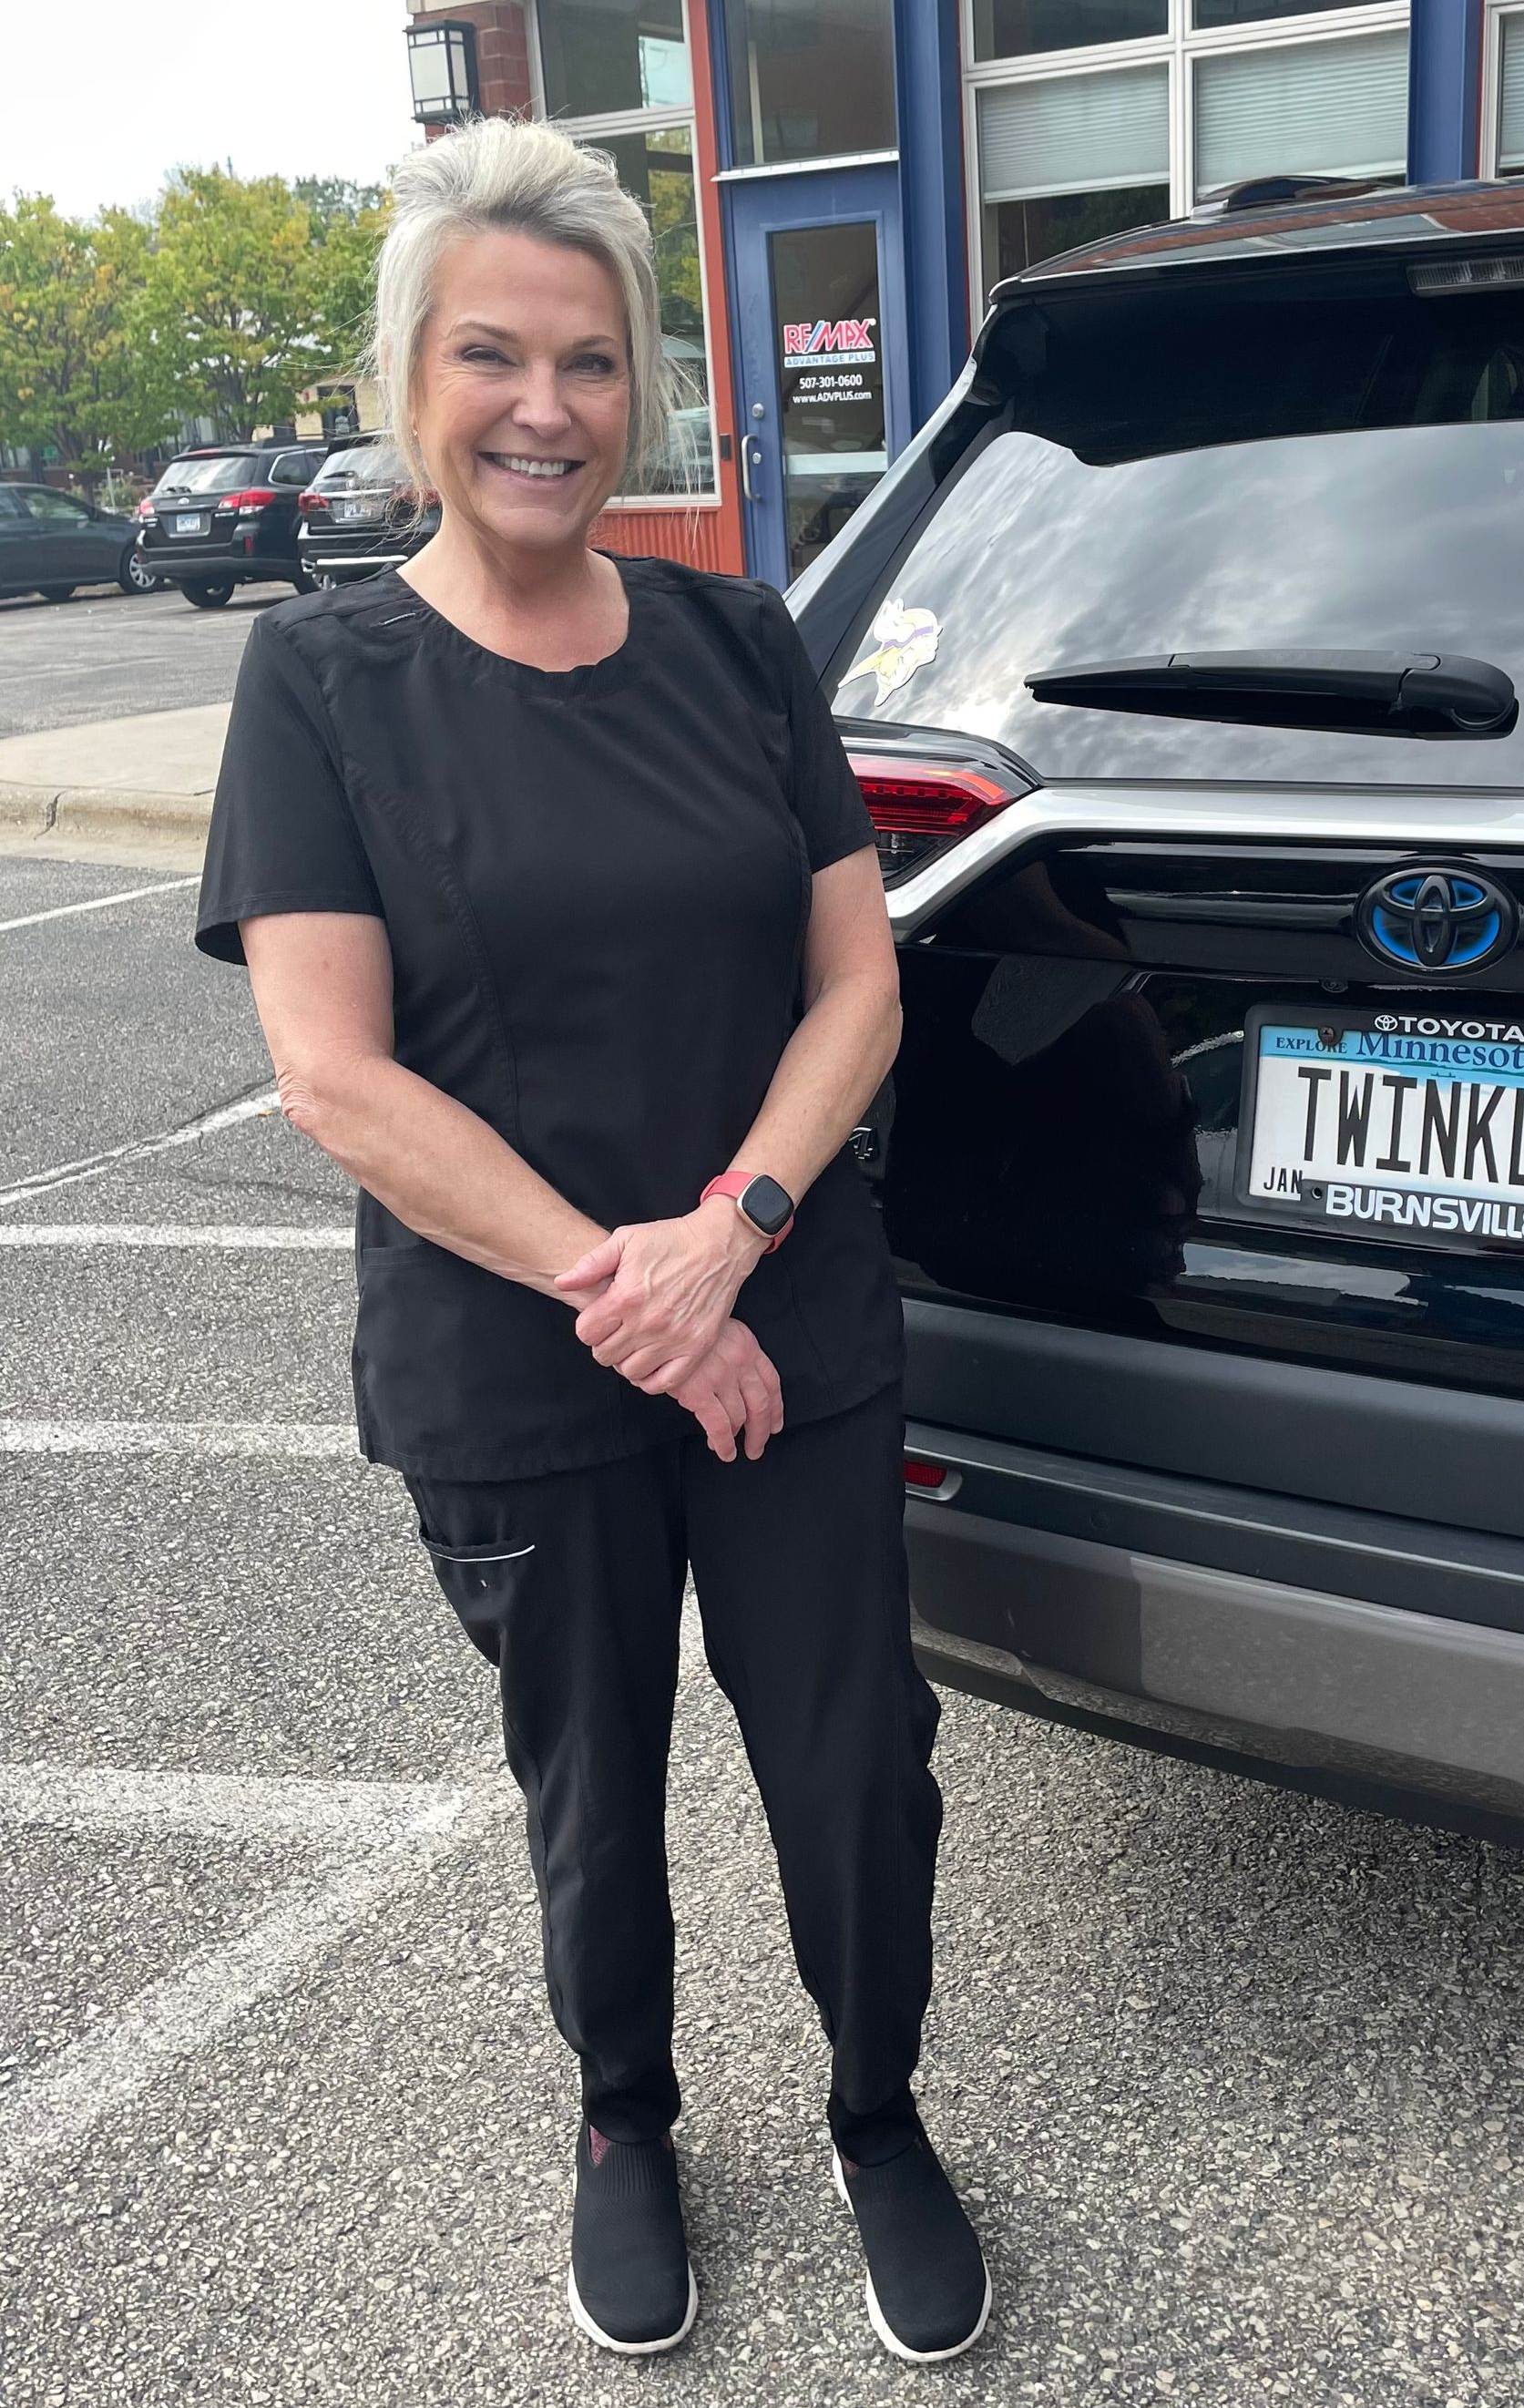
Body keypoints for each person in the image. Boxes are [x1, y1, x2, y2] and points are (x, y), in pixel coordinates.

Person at [192, 116, 989, 2364]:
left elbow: (862, 987)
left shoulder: (744, 645)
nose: (543, 404)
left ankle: (876, 2108)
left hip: (787, 1326)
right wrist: (631, 1300)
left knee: (855, 1758)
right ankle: (626, 2119)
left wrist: (730, 1243)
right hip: (522, 1366)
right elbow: (339, 1078)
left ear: (641, 388)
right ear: (409, 388)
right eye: (489, 357)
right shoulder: (322, 684)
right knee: (593, 1785)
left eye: (587, 360)